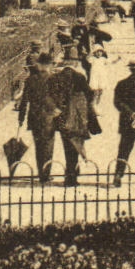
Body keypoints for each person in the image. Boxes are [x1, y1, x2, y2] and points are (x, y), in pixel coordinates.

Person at [46, 50, 99, 187]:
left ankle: (71, 174)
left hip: (62, 117)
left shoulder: (54, 77)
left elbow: (50, 96)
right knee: (76, 142)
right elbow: (90, 94)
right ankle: (73, 174)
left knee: (67, 144)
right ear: (75, 63)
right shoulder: (79, 76)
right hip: (77, 117)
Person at [16, 51, 58, 182]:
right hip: (49, 117)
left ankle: (41, 173)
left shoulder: (30, 80)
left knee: (38, 144)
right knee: (48, 145)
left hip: (34, 116)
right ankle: (46, 173)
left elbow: (24, 101)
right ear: (50, 65)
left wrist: (21, 118)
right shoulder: (54, 79)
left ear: (39, 64)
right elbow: (59, 98)